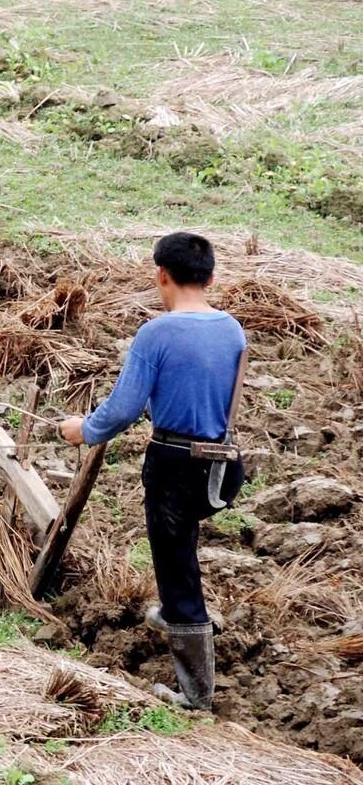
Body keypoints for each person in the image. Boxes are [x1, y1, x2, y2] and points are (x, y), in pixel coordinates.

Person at [59, 232, 246, 712]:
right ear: (210, 277)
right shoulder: (232, 330)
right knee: (181, 551)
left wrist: (85, 429)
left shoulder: (157, 334)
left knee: (175, 564)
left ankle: (195, 693)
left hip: (176, 464)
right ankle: (177, 614)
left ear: (161, 274)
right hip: (223, 465)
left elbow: (123, 409)